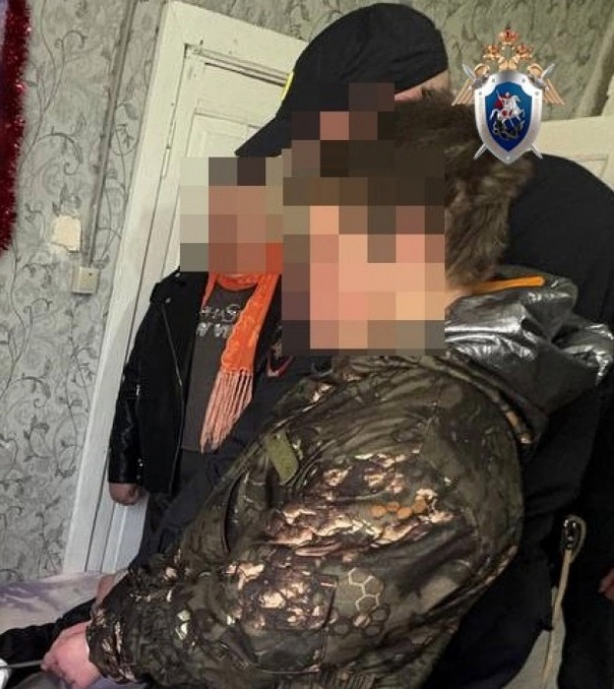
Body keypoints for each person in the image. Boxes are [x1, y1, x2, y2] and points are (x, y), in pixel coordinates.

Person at [43, 94, 613, 689]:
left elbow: (257, 636)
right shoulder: (373, 372)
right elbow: (254, 506)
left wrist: (110, 644)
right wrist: (141, 592)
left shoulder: (423, 449)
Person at [105, 3, 451, 563]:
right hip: (188, 482)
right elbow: (143, 376)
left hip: (271, 527)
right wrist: (129, 472)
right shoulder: (182, 286)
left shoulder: (370, 277)